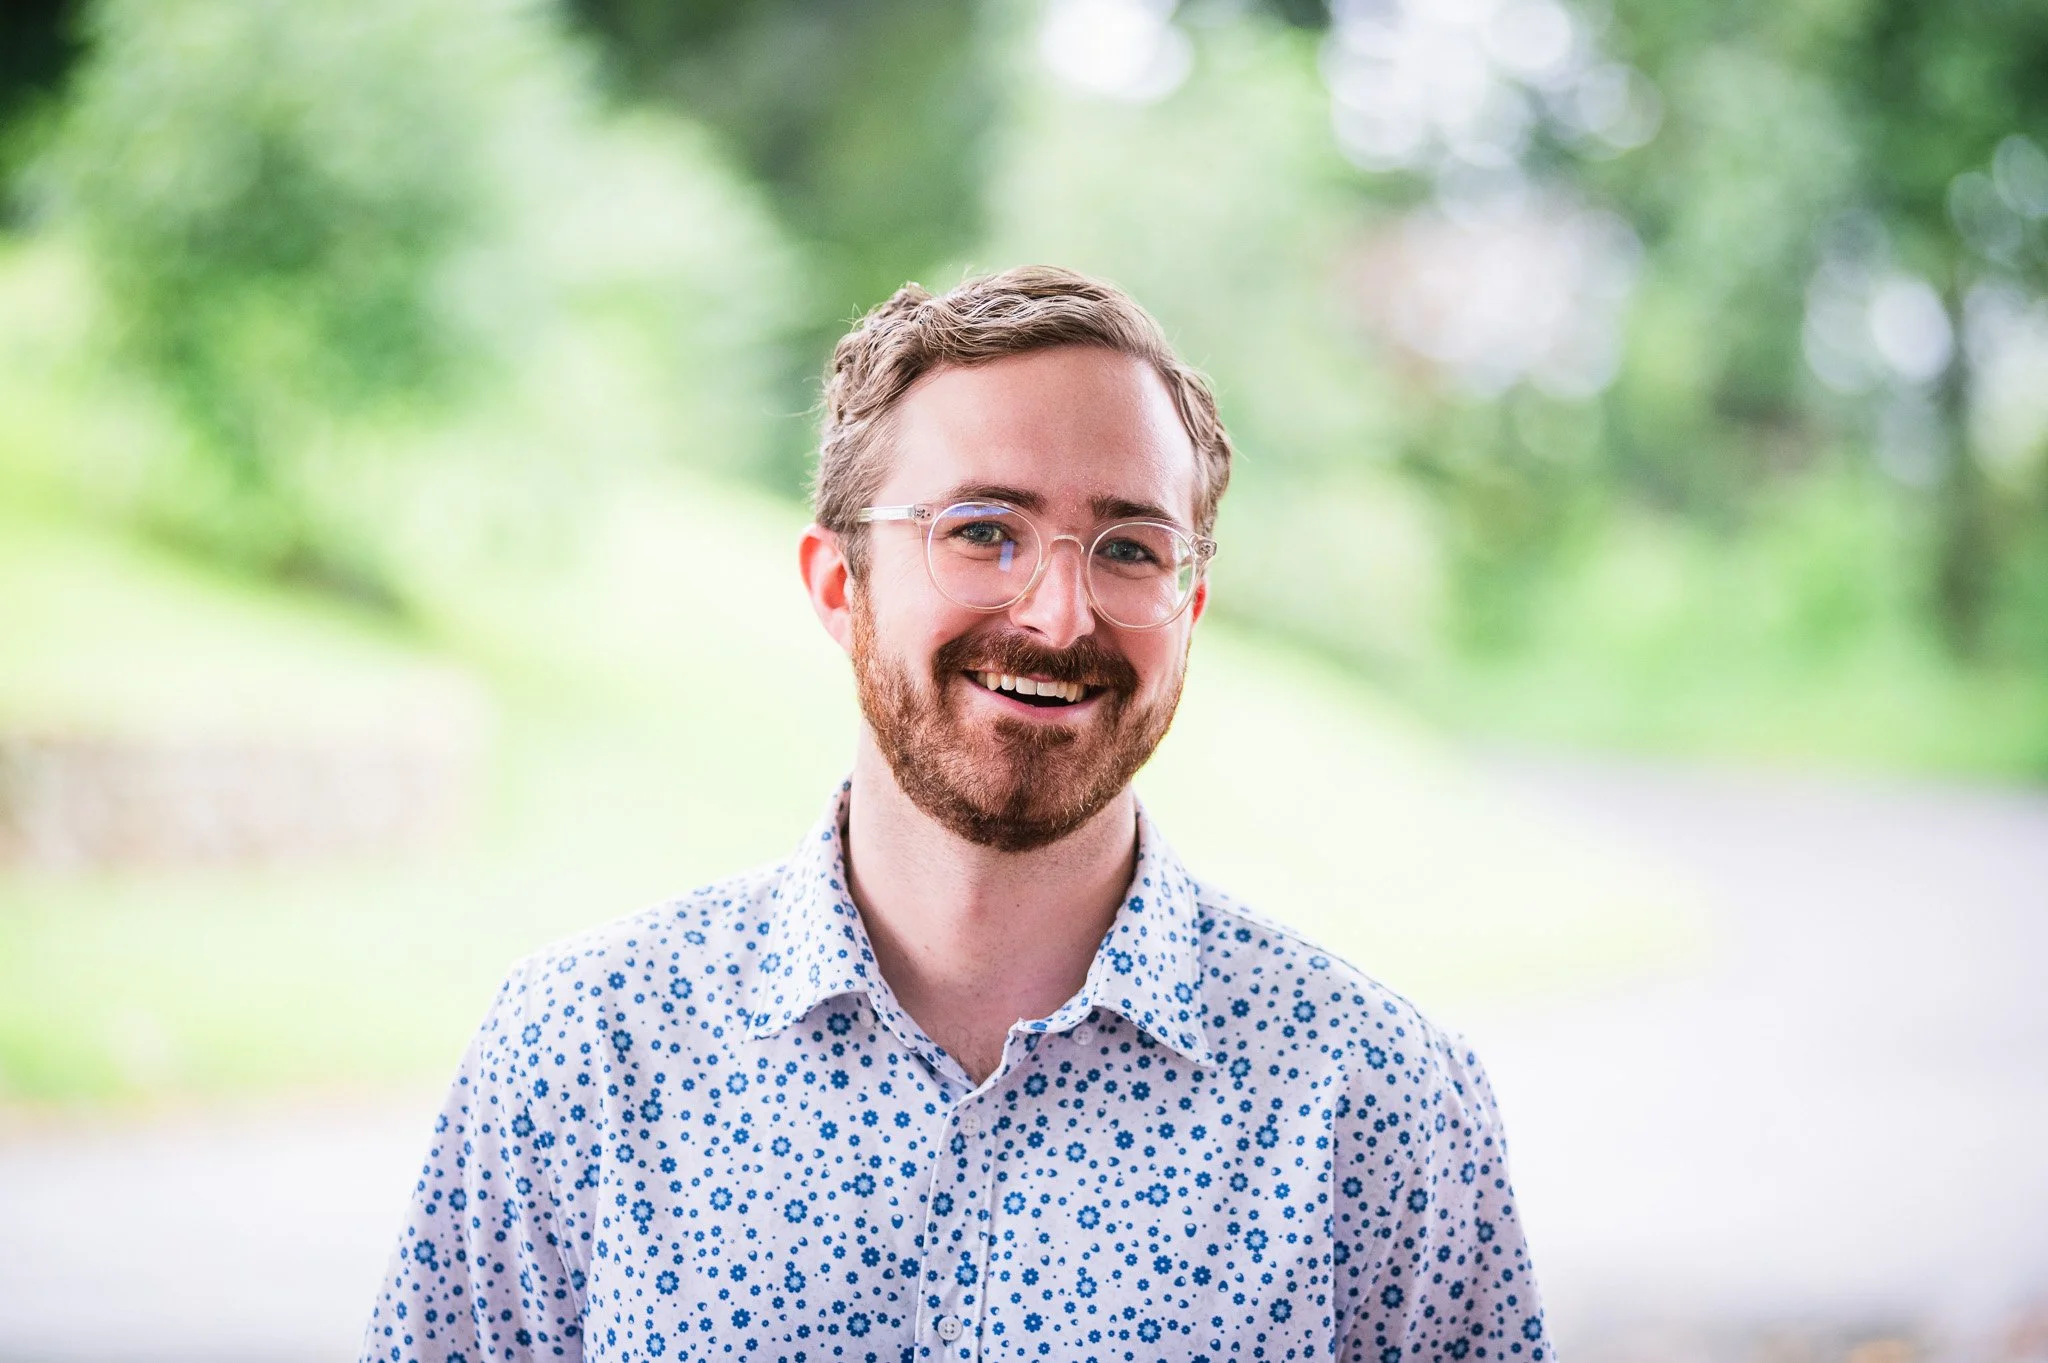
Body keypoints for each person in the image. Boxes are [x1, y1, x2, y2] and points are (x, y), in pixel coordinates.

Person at [360, 267, 1550, 1363]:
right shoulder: (582, 1057)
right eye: (983, 531)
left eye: (1130, 547)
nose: (1058, 613)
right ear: (841, 585)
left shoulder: (1381, 1108)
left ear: (1187, 611)